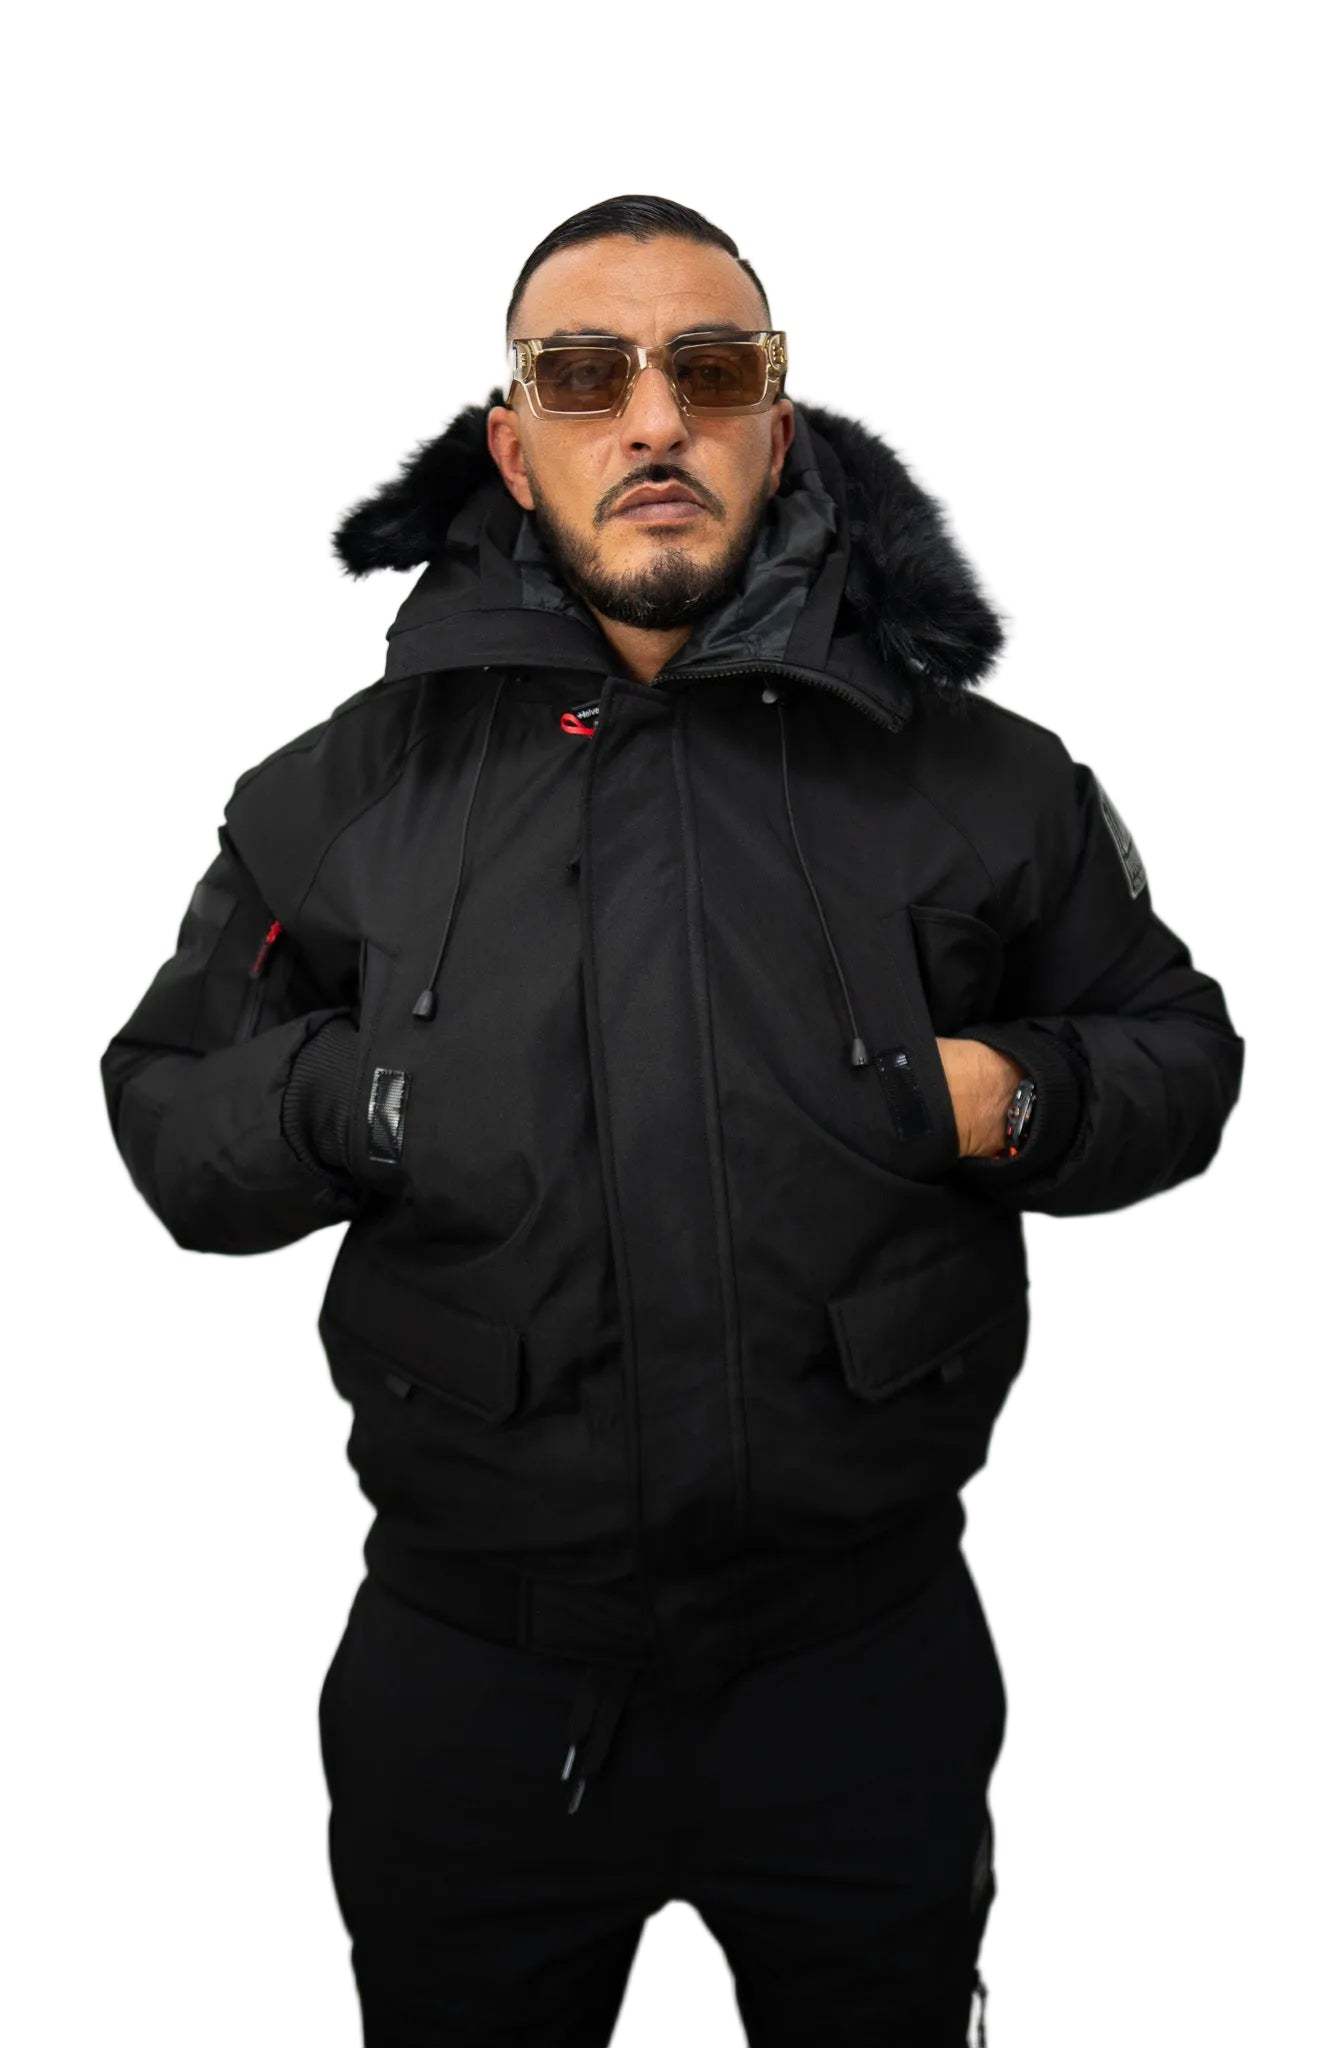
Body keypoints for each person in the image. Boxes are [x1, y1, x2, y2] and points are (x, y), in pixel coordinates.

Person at [99, 193, 1245, 2046]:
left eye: (710, 373)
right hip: (474, 1685)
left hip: (858, 1673)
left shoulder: (979, 780)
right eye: (586, 374)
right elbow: (170, 1120)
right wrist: (362, 1094)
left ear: (774, 426)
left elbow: (1177, 1052)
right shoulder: (337, 798)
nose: (653, 419)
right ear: (511, 443)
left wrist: (1012, 1094)